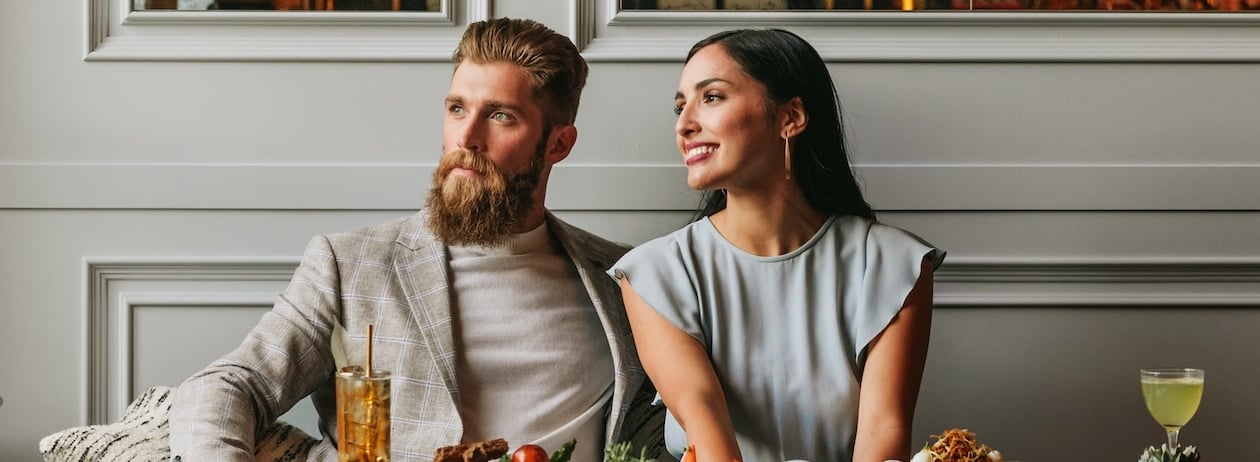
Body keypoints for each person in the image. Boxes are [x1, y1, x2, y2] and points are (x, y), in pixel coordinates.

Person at [170, 17, 663, 462]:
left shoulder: (625, 278)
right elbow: (232, 384)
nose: (466, 137)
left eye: (500, 116)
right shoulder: (350, 266)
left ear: (558, 143)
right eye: (456, 108)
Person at [608, 28, 945, 462]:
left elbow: (884, 434)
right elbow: (711, 439)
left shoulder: (893, 266)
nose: (684, 124)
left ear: (791, 118)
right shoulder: (654, 274)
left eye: (711, 97)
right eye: (680, 105)